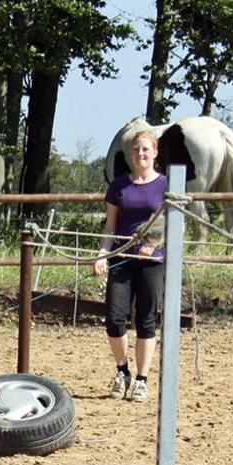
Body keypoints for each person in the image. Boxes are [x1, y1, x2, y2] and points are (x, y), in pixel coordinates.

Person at [94, 130, 168, 403]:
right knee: (114, 318)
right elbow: (110, 225)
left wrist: (156, 243)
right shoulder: (119, 186)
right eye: (136, 149)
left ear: (155, 152)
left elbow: (171, 222)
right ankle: (122, 370)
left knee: (146, 320)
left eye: (145, 149)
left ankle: (141, 379)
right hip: (122, 258)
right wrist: (102, 254)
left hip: (152, 261)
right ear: (130, 154)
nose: (141, 154)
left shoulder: (165, 185)